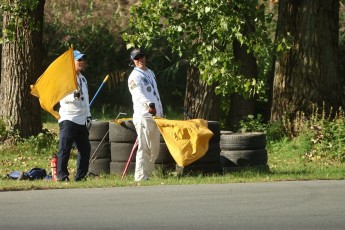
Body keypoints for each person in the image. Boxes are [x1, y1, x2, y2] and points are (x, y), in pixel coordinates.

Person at [128, 48, 163, 182]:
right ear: (133, 61)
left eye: (141, 56)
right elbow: (138, 95)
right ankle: (140, 177)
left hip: (156, 116)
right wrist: (149, 105)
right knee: (144, 147)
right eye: (137, 58)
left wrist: (160, 111)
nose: (140, 60)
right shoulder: (134, 77)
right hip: (144, 115)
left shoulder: (150, 72)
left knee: (155, 149)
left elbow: (156, 94)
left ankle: (147, 175)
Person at [57, 50, 92, 181]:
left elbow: (86, 100)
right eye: (79, 60)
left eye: (83, 60)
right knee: (64, 149)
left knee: (85, 150)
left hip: (81, 120)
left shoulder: (83, 78)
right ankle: (62, 175)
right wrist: (73, 96)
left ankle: (81, 176)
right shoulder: (66, 77)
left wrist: (88, 115)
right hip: (69, 118)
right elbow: (62, 97)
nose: (81, 62)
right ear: (72, 62)